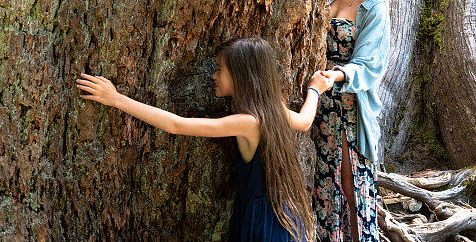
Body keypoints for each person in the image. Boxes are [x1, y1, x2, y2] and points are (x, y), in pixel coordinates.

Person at [76, 37, 333, 242]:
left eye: (220, 70)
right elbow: (305, 120)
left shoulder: (248, 121)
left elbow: (176, 125)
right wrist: (314, 89)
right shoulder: (274, 110)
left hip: (264, 222)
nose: (213, 76)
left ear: (240, 76)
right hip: (284, 215)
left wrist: (115, 99)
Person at [313, 0, 415, 241]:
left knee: (346, 192)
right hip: (308, 100)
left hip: (343, 114)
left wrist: (337, 76)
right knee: (313, 187)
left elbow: (370, 66)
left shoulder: (377, 9)